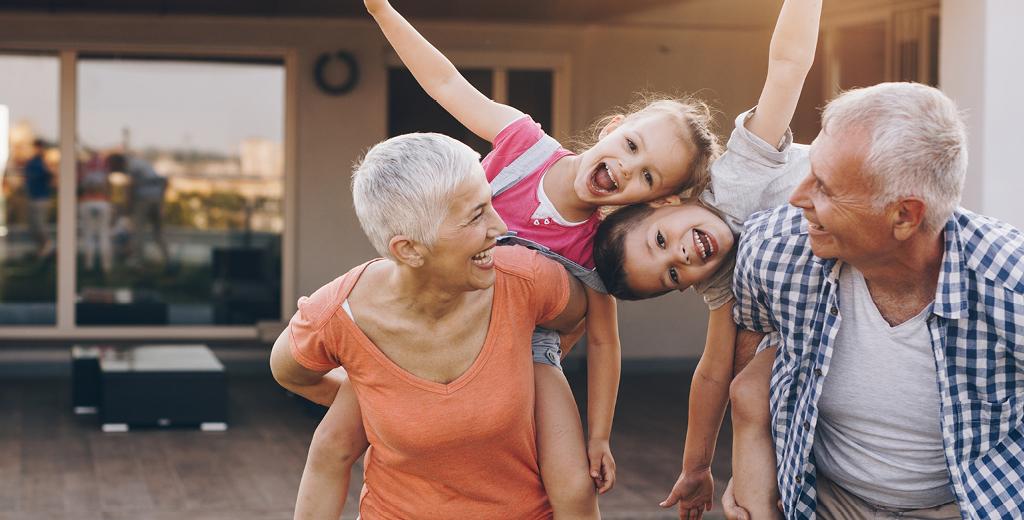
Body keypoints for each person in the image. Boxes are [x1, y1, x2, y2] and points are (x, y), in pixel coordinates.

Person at [298, 0, 722, 516]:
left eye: (649, 177)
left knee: (573, 485)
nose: (629, 168)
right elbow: (447, 84)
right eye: (632, 146)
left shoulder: (596, 248)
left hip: (524, 355)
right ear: (615, 125)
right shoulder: (524, 145)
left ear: (651, 202)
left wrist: (599, 437)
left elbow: (605, 340)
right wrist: (383, 11)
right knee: (333, 443)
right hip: (427, 323)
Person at [719, 81, 1024, 519]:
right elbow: (754, 331)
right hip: (822, 497)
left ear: (904, 216)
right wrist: (757, 462)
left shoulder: (1010, 288)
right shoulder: (772, 247)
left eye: (824, 187)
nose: (796, 197)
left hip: (968, 504)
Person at [270, 132, 588, 519]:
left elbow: (576, 317)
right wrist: (372, 401)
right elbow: (292, 374)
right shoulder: (339, 315)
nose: (499, 226)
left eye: (489, 204)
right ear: (409, 249)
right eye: (475, 216)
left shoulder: (527, 281)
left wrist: (531, 368)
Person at [592, 0, 821, 517]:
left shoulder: (735, 177)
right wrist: (696, 467)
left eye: (660, 240)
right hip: (841, 294)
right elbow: (713, 373)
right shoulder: (720, 281)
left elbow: (787, 67)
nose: (681, 255)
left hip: (867, 196)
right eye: (673, 274)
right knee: (745, 380)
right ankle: (762, 495)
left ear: (665, 202)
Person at [107, 152, 169, 265]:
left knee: (138, 230)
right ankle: (168, 260)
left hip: (144, 199)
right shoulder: (139, 163)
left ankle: (138, 260)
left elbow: (131, 187)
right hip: (156, 197)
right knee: (158, 232)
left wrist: (127, 206)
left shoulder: (132, 165)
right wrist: (161, 202)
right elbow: (162, 181)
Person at [24, 138, 55, 258]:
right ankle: (43, 249)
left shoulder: (44, 162)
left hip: (41, 198)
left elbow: (50, 176)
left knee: (40, 225)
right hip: (33, 197)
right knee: (33, 226)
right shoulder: (33, 162)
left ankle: (47, 247)